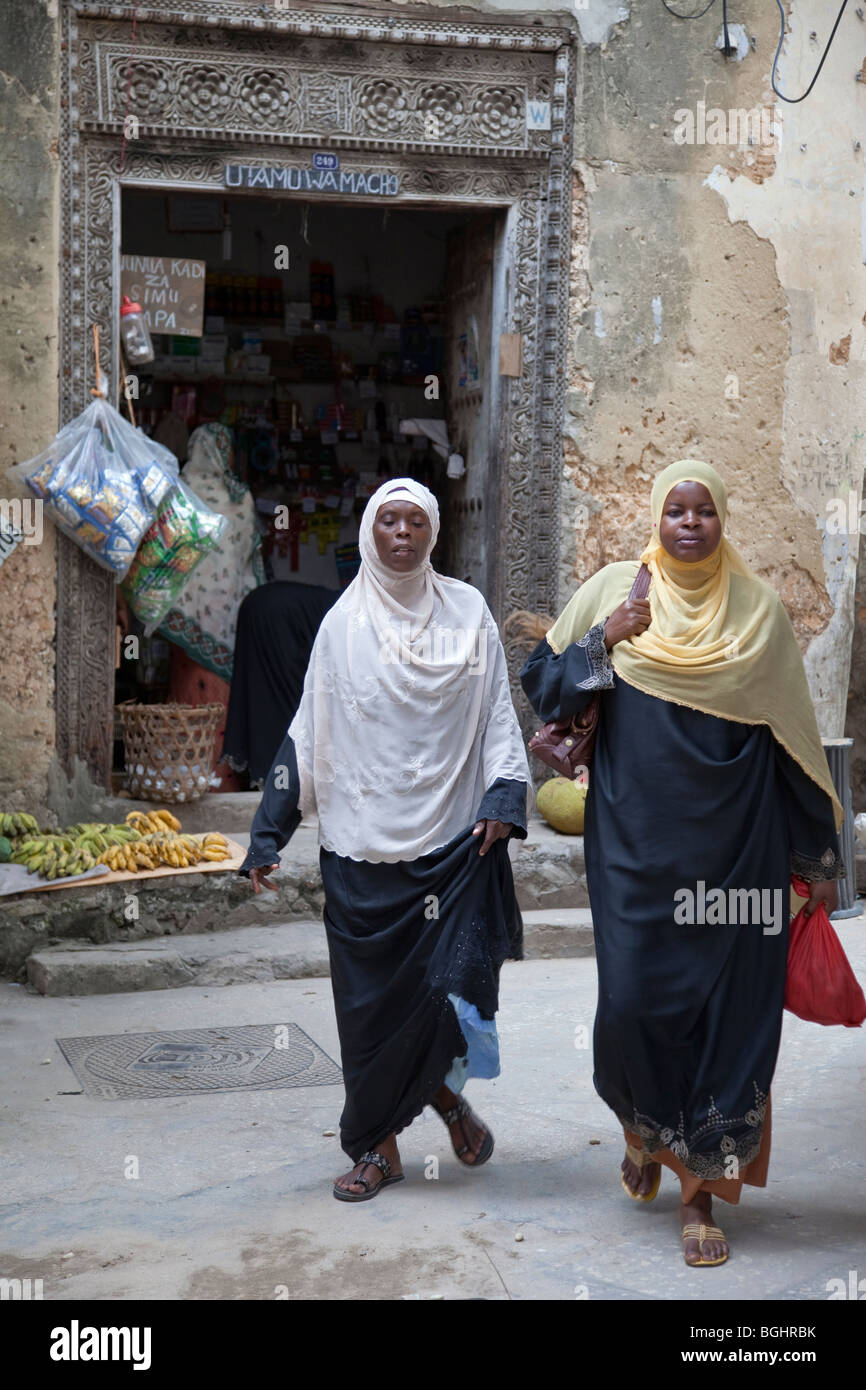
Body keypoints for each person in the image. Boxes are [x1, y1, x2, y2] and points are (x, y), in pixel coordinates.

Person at [520, 459, 843, 1268]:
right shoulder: (612, 595)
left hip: (740, 861)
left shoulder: (760, 617)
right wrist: (606, 641)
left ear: (722, 519)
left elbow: (795, 749)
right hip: (634, 855)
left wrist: (818, 862)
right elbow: (543, 684)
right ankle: (642, 1129)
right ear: (657, 521)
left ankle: (699, 1194)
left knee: (731, 1018)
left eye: (703, 510)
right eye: (675, 510)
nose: (690, 524)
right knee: (633, 1005)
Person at [239, 478, 531, 1201]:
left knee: (442, 1002)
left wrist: (503, 791)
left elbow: (498, 710)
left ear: (434, 534)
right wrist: (269, 830)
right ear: (371, 531)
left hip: (452, 846)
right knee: (368, 1012)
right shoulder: (342, 627)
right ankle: (378, 1147)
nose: (402, 534)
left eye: (415, 523)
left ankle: (447, 1099)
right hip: (362, 852)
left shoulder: (469, 615)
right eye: (389, 521)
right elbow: (308, 734)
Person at [158, 422, 266, 789]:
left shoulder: (178, 491)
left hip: (184, 614)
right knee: (222, 694)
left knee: (185, 687)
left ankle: (183, 773)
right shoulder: (239, 496)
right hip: (227, 615)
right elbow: (250, 558)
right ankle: (223, 775)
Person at [221, 581, 339, 787]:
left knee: (267, 707)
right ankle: (282, 787)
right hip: (278, 618)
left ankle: (275, 784)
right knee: (288, 716)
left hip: (268, 609)